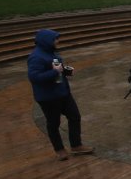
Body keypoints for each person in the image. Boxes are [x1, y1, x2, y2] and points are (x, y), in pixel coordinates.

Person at [27, 29, 94, 161]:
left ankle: (76, 145)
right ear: (46, 41)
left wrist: (65, 71)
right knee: (53, 124)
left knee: (75, 117)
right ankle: (59, 150)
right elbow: (34, 77)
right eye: (55, 39)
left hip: (63, 93)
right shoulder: (36, 57)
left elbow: (58, 69)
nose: (58, 41)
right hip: (48, 97)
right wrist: (54, 72)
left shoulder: (53, 53)